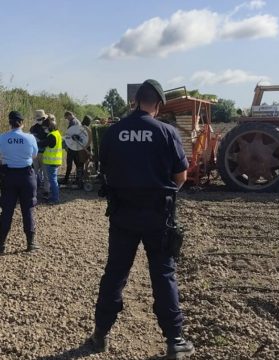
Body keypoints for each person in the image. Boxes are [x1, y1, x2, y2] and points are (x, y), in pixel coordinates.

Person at [88, 79, 194, 359]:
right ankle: (175, 340)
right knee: (163, 274)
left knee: (115, 273)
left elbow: (105, 170)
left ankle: (100, 334)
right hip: (159, 216)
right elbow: (180, 176)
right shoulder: (167, 132)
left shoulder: (112, 132)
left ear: (135, 101)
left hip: (123, 215)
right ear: (158, 104)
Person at [0, 111, 39, 254]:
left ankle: (1, 244)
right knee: (27, 209)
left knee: (7, 211)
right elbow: (34, 155)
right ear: (22, 123)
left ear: (9, 122)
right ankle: (31, 243)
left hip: (8, 176)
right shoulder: (30, 138)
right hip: (26, 176)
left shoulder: (2, 138)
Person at [40, 114, 62, 204]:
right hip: (55, 161)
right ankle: (54, 197)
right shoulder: (57, 134)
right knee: (54, 180)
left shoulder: (51, 136)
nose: (44, 129)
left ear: (49, 126)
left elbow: (43, 144)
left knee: (53, 181)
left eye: (45, 127)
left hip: (51, 162)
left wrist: (34, 141)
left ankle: (55, 199)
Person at [30, 109, 50, 198]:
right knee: (34, 173)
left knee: (44, 174)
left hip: (44, 153)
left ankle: (45, 191)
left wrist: (38, 141)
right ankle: (35, 190)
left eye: (41, 119)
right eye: (38, 119)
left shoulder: (47, 127)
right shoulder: (34, 128)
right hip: (37, 154)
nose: (40, 120)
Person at [60, 111, 81, 185]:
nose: (67, 119)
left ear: (69, 115)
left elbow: (71, 134)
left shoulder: (73, 122)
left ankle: (66, 180)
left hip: (72, 145)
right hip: (75, 145)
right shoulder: (77, 121)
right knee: (77, 162)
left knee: (69, 162)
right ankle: (78, 179)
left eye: (67, 118)